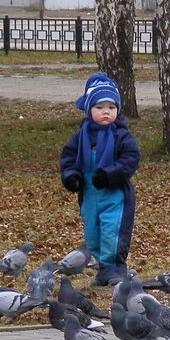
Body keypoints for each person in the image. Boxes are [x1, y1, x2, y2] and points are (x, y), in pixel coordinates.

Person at [60, 72, 140, 287]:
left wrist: (109, 174)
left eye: (111, 108)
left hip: (115, 196)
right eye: (100, 107)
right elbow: (68, 160)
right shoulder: (80, 136)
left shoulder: (121, 135)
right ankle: (102, 270)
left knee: (112, 232)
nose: (106, 112)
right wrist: (72, 177)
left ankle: (114, 269)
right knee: (93, 235)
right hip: (89, 195)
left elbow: (130, 159)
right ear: (89, 109)